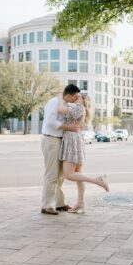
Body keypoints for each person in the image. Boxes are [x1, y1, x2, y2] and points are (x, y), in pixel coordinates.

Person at [58, 90, 110, 212]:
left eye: (79, 96)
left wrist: (60, 96)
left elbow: (61, 109)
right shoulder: (79, 107)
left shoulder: (79, 107)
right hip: (76, 140)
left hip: (72, 141)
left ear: (83, 100)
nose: (76, 97)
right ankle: (80, 203)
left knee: (68, 174)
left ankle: (97, 180)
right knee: (78, 174)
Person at [40, 80, 83, 216]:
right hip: (51, 139)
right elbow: (50, 122)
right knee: (51, 174)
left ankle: (59, 203)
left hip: (59, 141)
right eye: (75, 96)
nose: (77, 99)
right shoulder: (54, 102)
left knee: (60, 175)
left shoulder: (64, 104)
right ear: (69, 95)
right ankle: (47, 205)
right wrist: (68, 127)